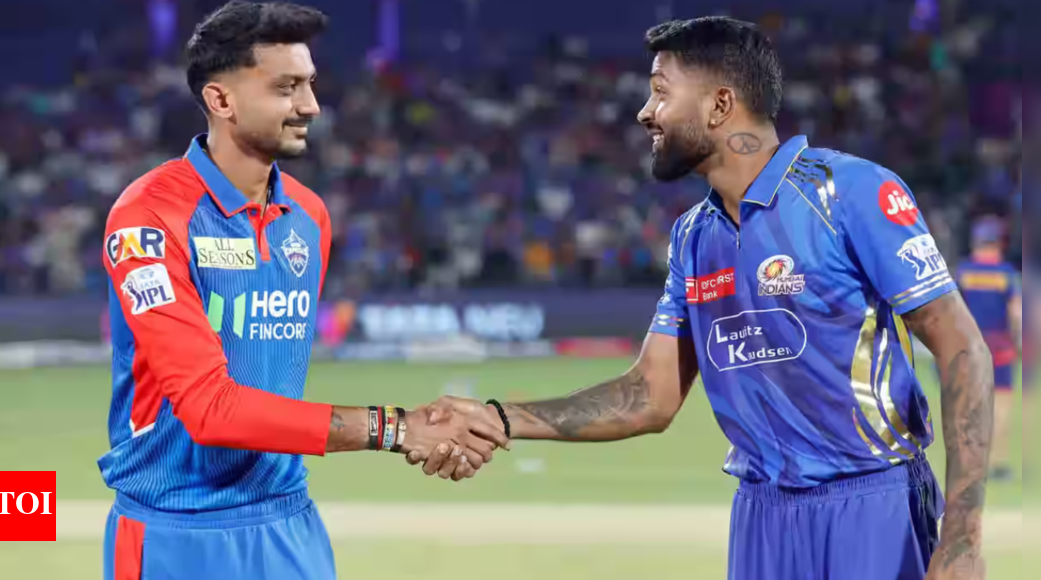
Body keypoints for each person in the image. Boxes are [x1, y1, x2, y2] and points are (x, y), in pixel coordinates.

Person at [413, 17, 993, 580]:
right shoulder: (694, 236)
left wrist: (963, 539)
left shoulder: (849, 193)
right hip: (761, 519)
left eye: (660, 92)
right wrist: (499, 419)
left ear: (719, 105)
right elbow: (651, 395)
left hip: (873, 508)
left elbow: (963, 348)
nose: (645, 112)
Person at [99, 3, 505, 579]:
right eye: (286, 88)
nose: (310, 106)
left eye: (310, 84)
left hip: (291, 527)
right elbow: (210, 411)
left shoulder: (309, 216)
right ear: (221, 100)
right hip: (178, 533)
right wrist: (395, 427)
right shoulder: (148, 217)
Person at [956, 216, 1022, 481]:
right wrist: (1019, 340)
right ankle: (997, 463)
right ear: (998, 243)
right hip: (1000, 345)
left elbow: (953, 310)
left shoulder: (964, 271)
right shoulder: (1006, 273)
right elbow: (1016, 311)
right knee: (1001, 403)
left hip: (971, 344)